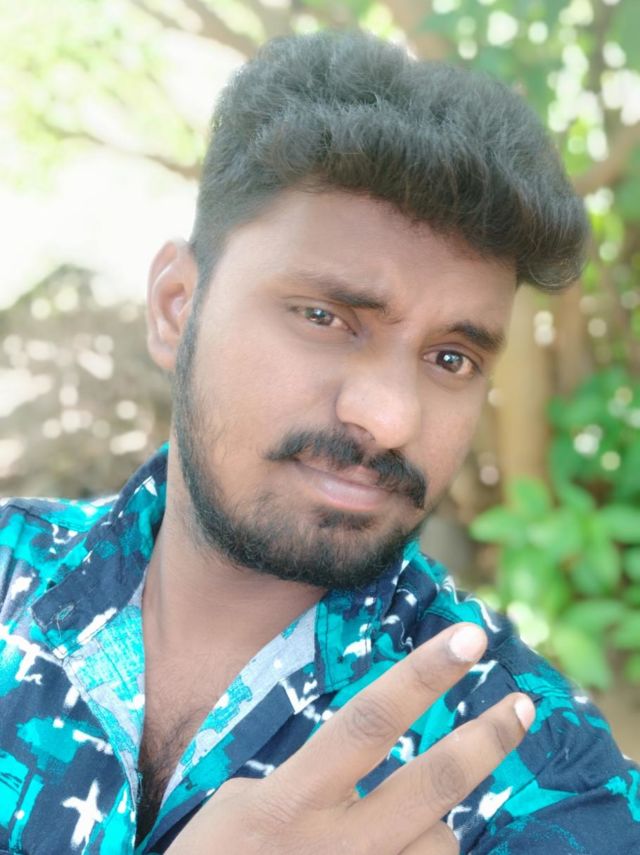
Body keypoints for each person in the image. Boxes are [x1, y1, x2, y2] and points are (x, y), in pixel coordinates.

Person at [0, 29, 637, 855]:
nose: (390, 418)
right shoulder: (10, 574)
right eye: (325, 317)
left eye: (451, 358)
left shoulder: (540, 774)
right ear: (176, 306)